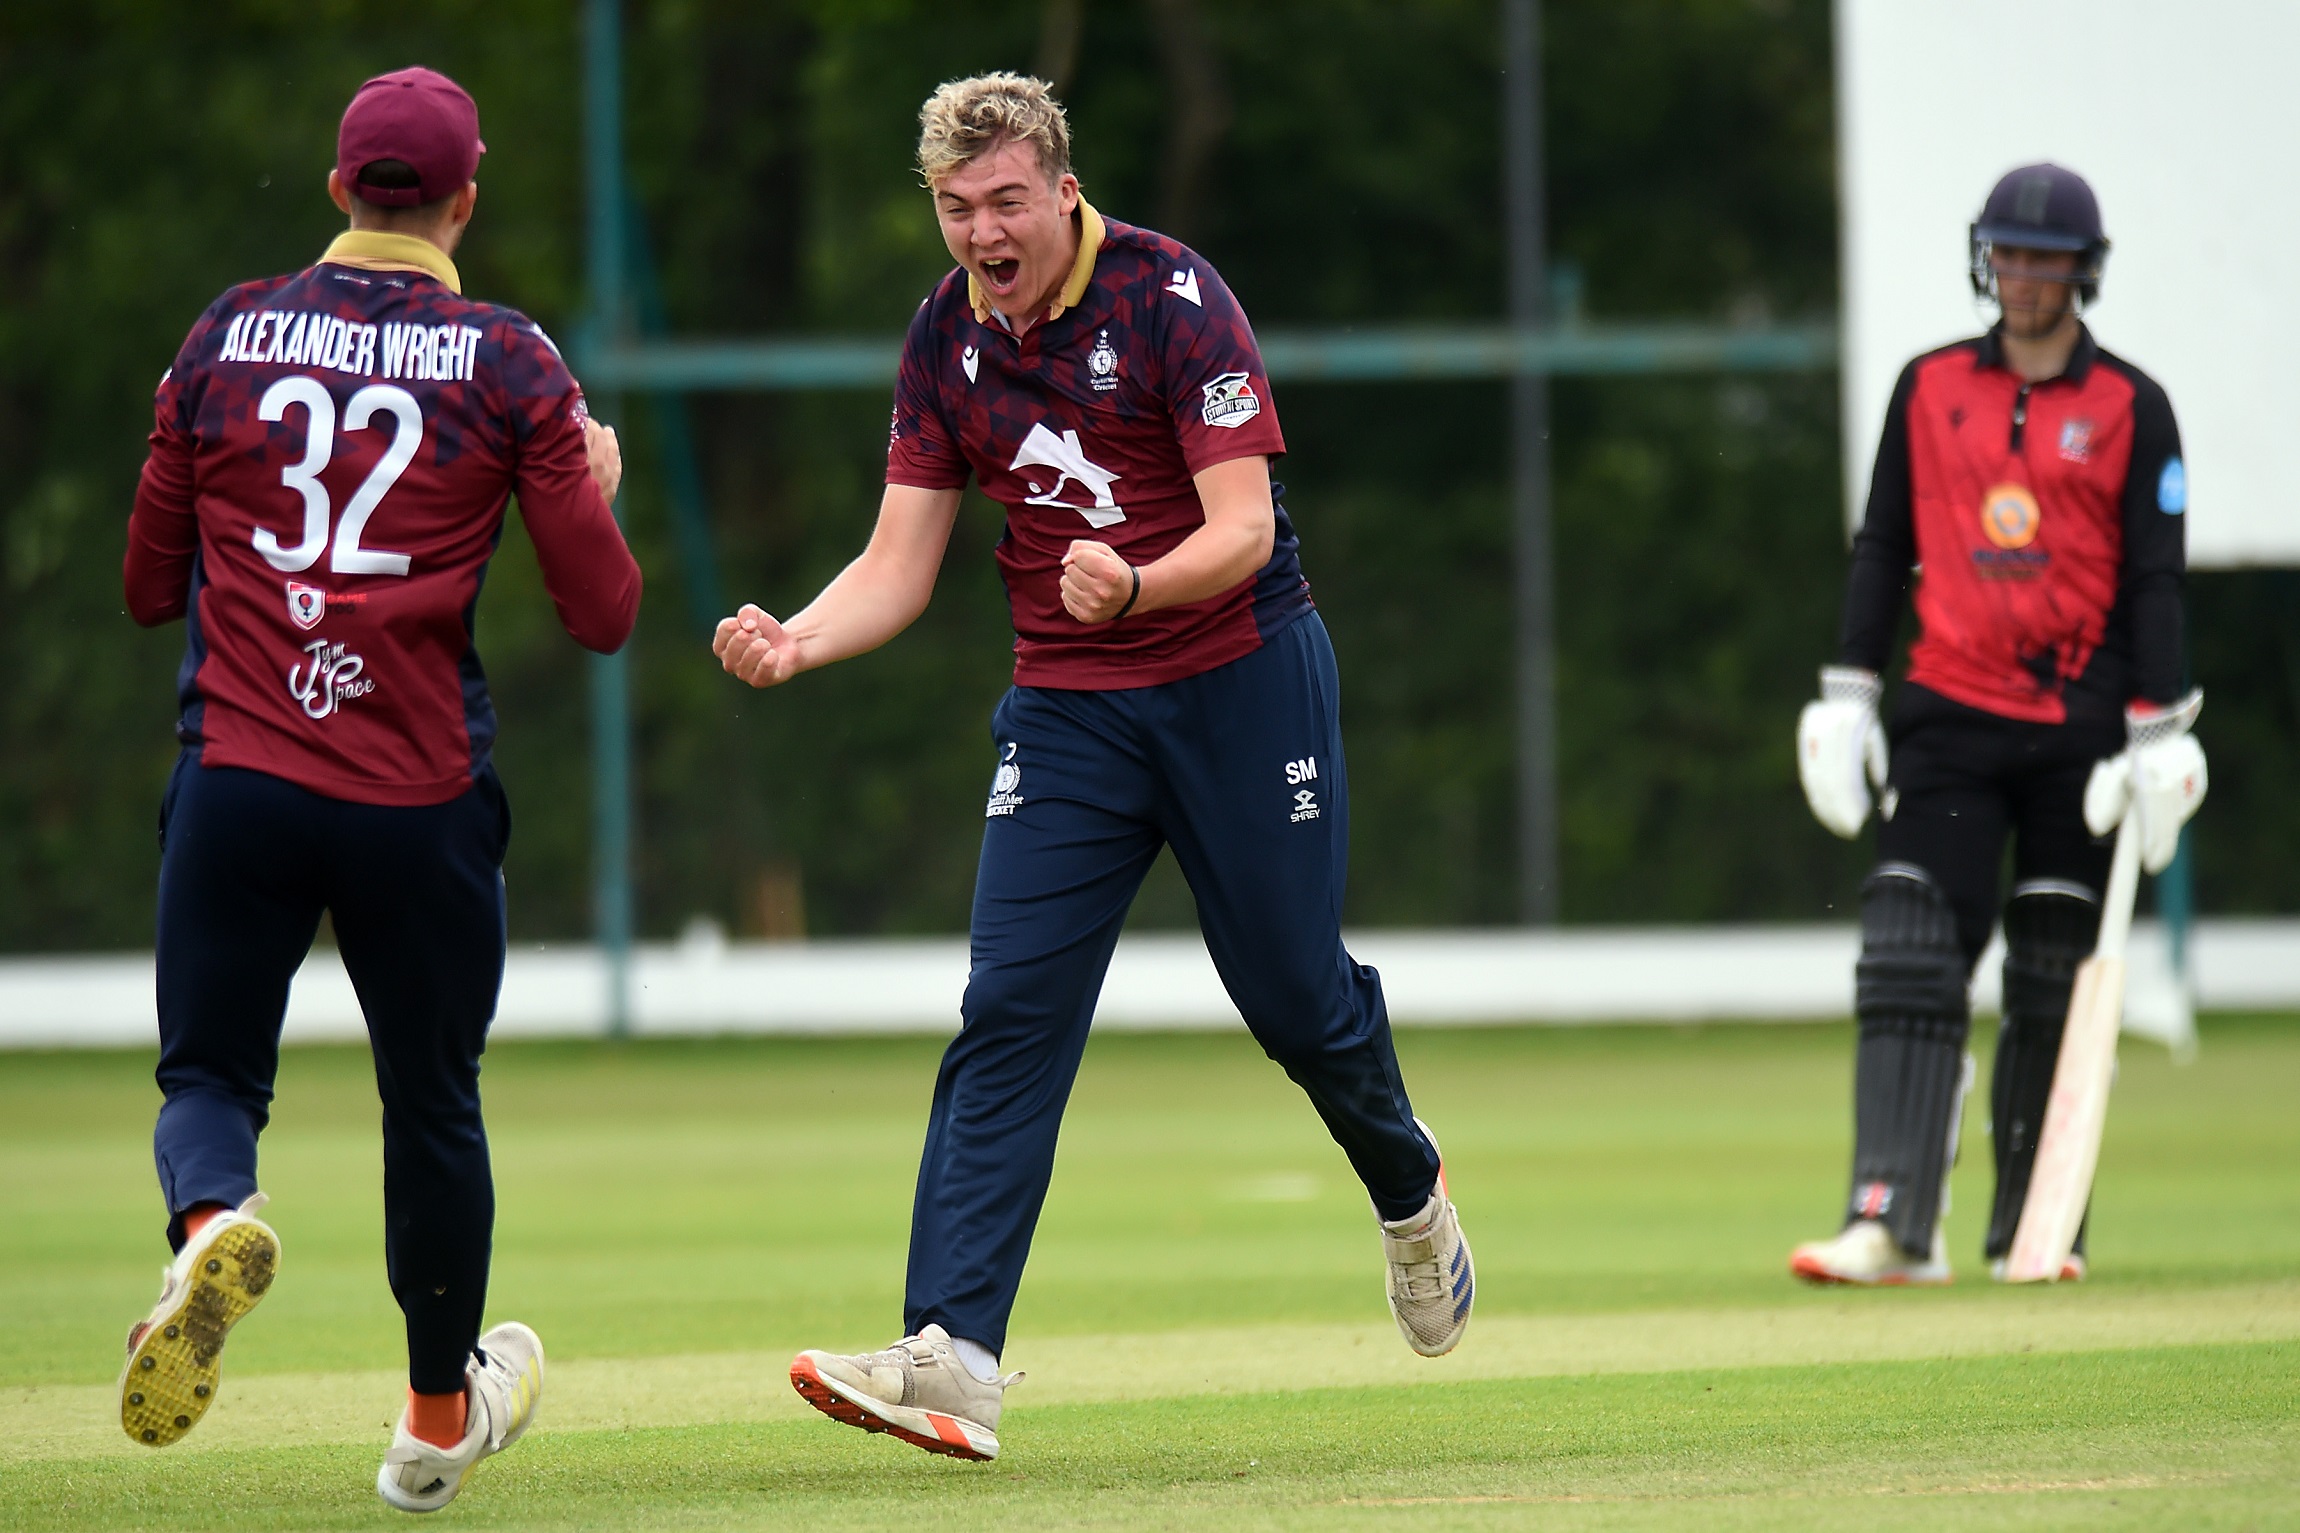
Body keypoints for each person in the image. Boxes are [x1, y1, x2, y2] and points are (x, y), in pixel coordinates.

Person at [714, 73, 1473, 1460]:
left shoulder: (1174, 299)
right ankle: (953, 1356)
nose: (984, 231)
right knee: (1008, 1007)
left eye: (1007, 200)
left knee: (1297, 1003)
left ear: (1063, 188)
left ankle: (1409, 1185)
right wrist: (799, 640)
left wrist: (1135, 586)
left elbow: (1244, 528)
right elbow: (899, 562)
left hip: (1243, 683)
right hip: (1070, 712)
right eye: (957, 208)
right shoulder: (946, 338)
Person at [119, 66, 641, 1510]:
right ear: (466, 197)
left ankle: (213, 1223)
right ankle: (430, 1419)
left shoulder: (226, 333)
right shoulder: (511, 359)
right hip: (417, 799)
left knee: (212, 1074)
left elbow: (145, 584)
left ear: (342, 186)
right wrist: (585, 478)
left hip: (240, 777)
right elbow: (601, 615)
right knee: (431, 1102)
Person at [1789, 163, 2205, 1286]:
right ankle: (1887, 1219)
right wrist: (1846, 690)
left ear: (2082, 270)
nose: (2022, 276)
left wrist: (2158, 730)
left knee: (2051, 975)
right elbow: (1881, 543)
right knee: (1908, 955)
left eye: (2045, 258)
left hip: (2079, 737)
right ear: (1985, 257)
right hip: (1948, 716)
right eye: (2008, 253)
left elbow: (2153, 581)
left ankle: (2036, 1225)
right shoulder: (1927, 389)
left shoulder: (2131, 406)